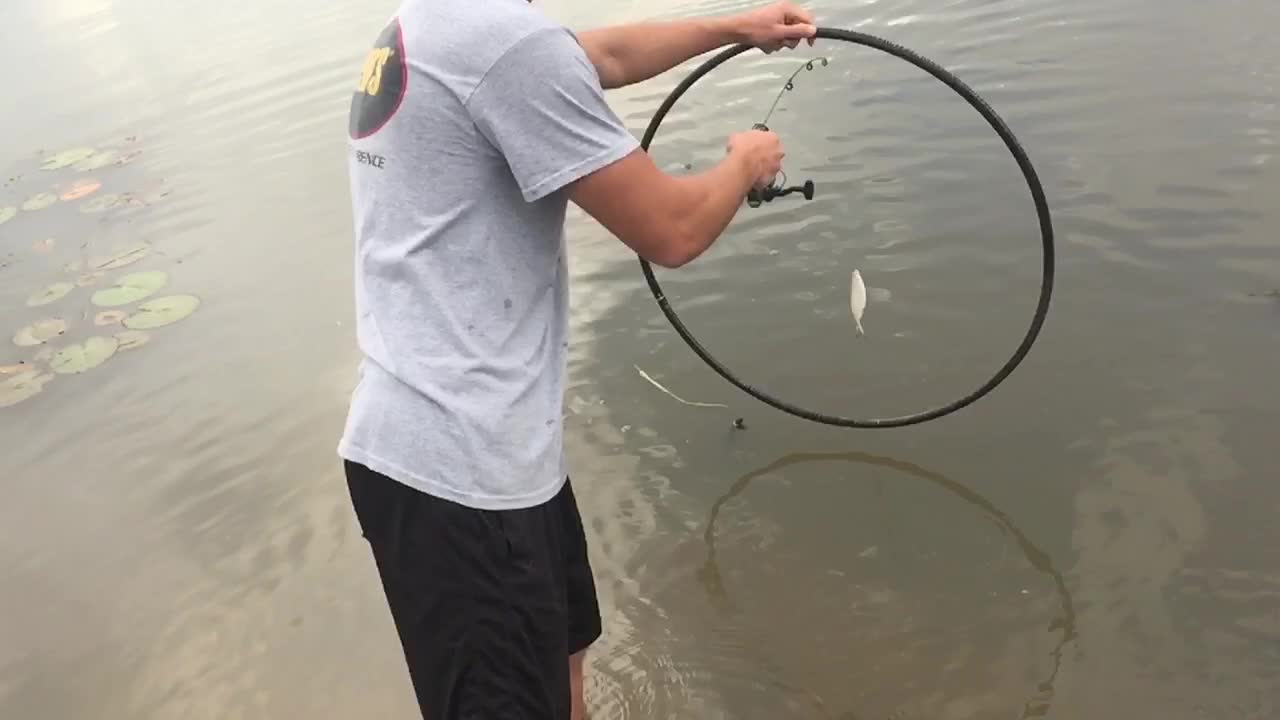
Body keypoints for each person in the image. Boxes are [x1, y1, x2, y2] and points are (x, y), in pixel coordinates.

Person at [339, 0, 817, 717]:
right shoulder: (505, 45)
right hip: (462, 473)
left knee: (563, 675)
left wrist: (730, 29)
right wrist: (743, 162)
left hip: (481, 453)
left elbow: (601, 57)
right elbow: (673, 229)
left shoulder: (448, 23)